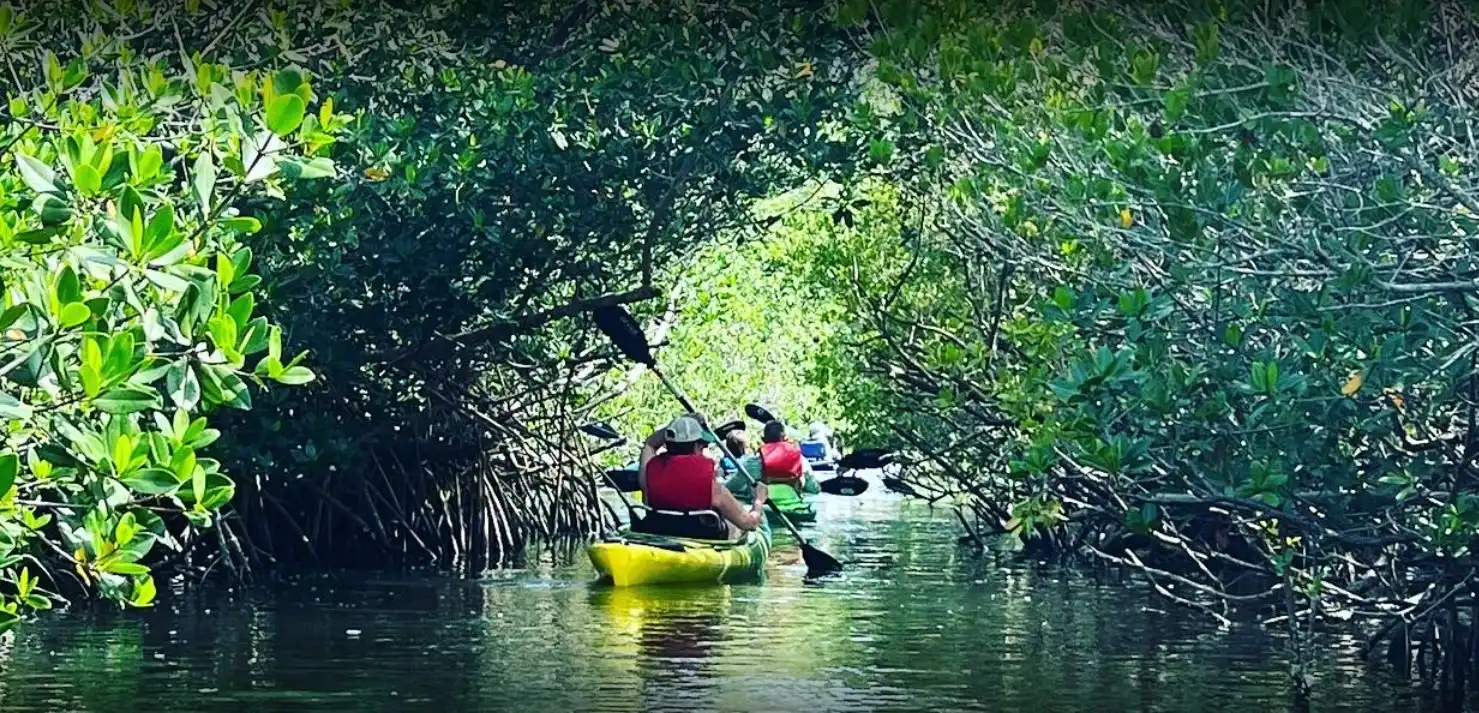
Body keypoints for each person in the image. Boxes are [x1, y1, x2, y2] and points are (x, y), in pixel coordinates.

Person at [635, 414, 768, 539]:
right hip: (701, 535)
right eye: (703, 445)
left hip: (659, 531)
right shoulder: (714, 489)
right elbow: (749, 523)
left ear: (667, 444)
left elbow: (650, 444)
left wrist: (677, 425)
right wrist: (758, 501)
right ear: (696, 446)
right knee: (735, 526)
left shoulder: (648, 475)